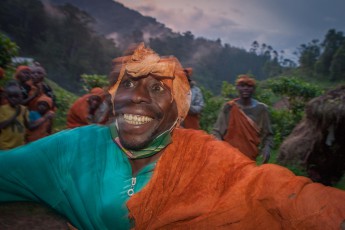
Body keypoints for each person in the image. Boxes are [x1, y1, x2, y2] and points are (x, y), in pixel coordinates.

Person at [0, 43, 345, 230]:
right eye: (128, 84)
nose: (137, 97)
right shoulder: (71, 148)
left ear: (179, 108)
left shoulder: (209, 159)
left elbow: (273, 191)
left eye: (158, 89)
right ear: (111, 95)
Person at [211, 74, 273, 163]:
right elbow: (217, 132)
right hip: (229, 157)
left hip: (249, 157)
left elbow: (268, 134)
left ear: (254, 89)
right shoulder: (229, 107)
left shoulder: (261, 109)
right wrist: (220, 148)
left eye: (249, 86)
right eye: (242, 86)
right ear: (237, 88)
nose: (245, 88)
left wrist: (267, 148)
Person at [0, 81, 35, 149]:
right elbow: (1, 126)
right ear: (7, 98)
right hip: (5, 146)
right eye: (10, 97)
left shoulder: (24, 109)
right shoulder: (2, 109)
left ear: (21, 97)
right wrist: (15, 115)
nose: (13, 99)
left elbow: (29, 126)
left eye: (16, 97)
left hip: (19, 146)